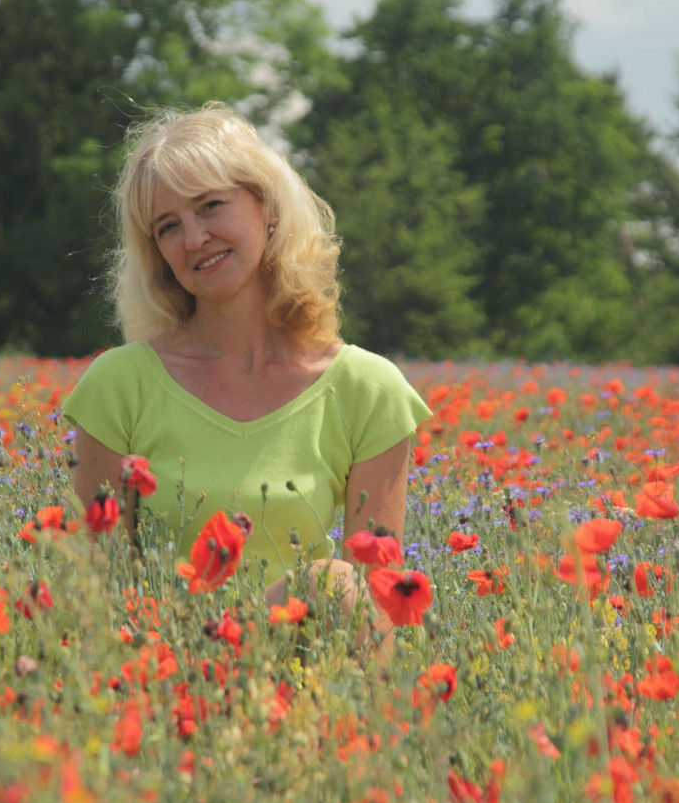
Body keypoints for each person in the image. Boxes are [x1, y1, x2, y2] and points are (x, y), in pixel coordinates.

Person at [61, 104, 430, 658]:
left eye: (210, 206)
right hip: (168, 680)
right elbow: (99, 589)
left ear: (269, 207)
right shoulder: (121, 385)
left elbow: (378, 603)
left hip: (315, 687)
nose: (193, 238)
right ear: (156, 255)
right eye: (168, 227)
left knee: (335, 586)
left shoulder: (367, 389)